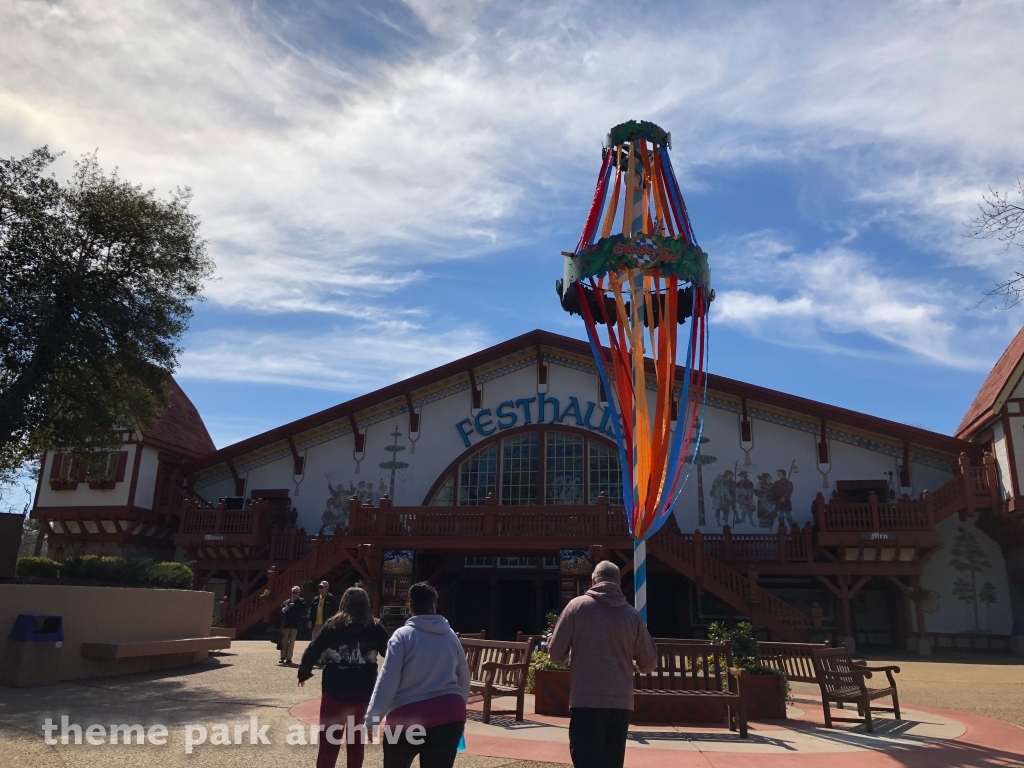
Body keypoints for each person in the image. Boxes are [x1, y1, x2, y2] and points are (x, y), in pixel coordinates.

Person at [547, 560, 657, 768]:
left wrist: (568, 660)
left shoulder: (577, 607)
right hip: (621, 702)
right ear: (618, 582)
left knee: (586, 760)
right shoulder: (632, 615)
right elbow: (649, 662)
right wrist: (636, 665)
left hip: (586, 699)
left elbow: (555, 653)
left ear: (593, 580)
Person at [364, 581, 470, 768]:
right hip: (449, 713)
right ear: (433, 606)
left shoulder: (402, 636)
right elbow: (463, 677)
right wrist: (458, 703)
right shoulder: (450, 635)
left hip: (407, 715)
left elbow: (388, 680)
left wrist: (373, 718)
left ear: (410, 607)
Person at [298, 587, 389, 768]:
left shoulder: (332, 625)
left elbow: (313, 650)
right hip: (364, 691)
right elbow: (390, 653)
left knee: (329, 743)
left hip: (335, 689)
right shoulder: (375, 627)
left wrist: (304, 672)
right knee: (356, 743)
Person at [279, 585, 307, 665]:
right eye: (293, 592)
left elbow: (303, 609)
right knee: (284, 641)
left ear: (299, 593)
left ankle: (289, 658)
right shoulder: (287, 601)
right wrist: (285, 609)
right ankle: (282, 657)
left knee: (291, 642)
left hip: (295, 624)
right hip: (286, 624)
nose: (294, 594)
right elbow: (281, 610)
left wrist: (294, 606)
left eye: (296, 593)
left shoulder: (301, 601)